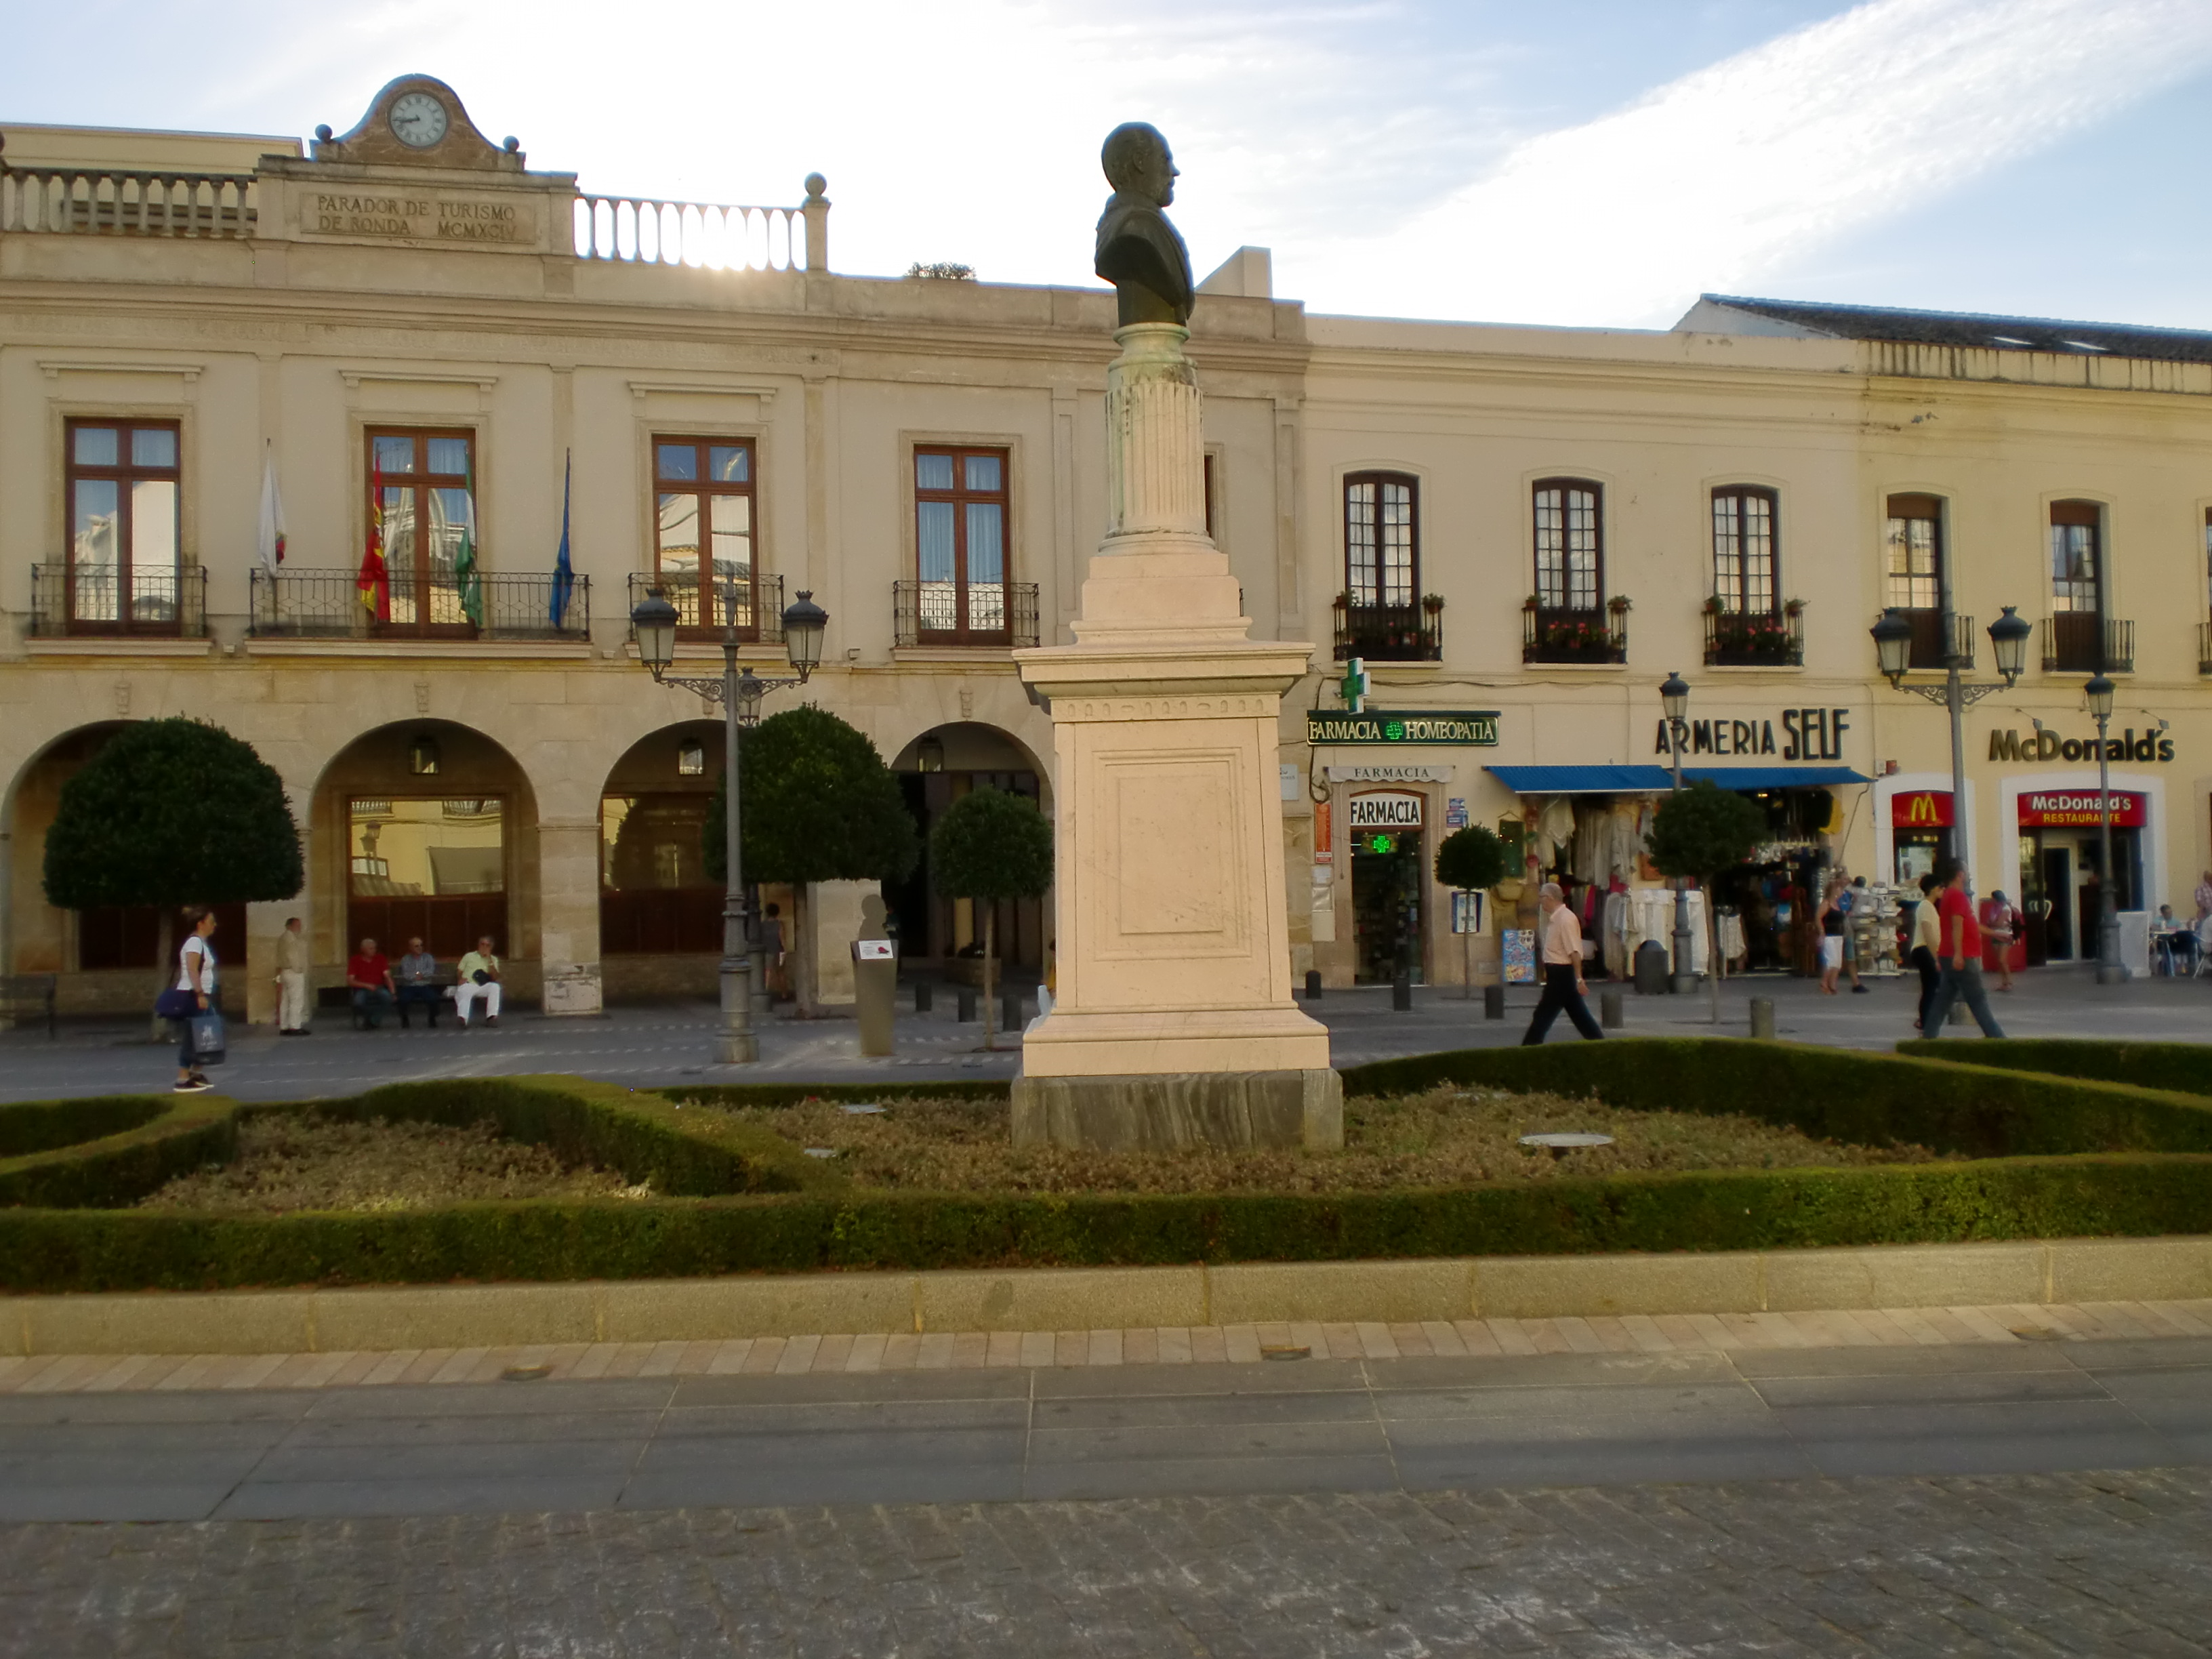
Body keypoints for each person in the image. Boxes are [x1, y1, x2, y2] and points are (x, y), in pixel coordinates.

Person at [1922, 859, 2005, 1038]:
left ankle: (1928, 1037)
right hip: (1963, 956)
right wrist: (1959, 955)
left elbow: (1970, 924)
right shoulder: (1958, 896)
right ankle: (1998, 1039)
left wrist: (1994, 934)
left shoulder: (1949, 895)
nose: (1968, 875)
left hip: (1948, 954)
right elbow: (1957, 925)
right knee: (1978, 1000)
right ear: (1960, 875)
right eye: (1966, 872)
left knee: (1943, 1000)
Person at [1521, 882, 1604, 1045]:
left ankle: (1528, 1049)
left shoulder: (1565, 919)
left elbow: (1574, 951)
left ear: (1550, 898)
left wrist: (1579, 978)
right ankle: (1600, 1044)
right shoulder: (1556, 919)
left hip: (1562, 974)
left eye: (1542, 897)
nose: (1540, 901)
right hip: (1557, 974)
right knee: (1580, 1016)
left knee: (1543, 1016)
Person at [171, 905, 218, 1092]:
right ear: (201, 923)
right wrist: (199, 994)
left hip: (201, 995)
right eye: (211, 921)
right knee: (194, 1037)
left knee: (210, 1035)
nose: (214, 925)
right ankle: (183, 1078)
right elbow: (192, 969)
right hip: (192, 995)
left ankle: (196, 1073)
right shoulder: (194, 943)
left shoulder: (202, 943)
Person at [1908, 872, 1943, 1032]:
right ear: (1934, 889)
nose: (1943, 891)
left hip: (1924, 949)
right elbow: (1927, 930)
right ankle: (1926, 1020)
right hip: (1924, 949)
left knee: (1930, 986)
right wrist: (1936, 957)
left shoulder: (1930, 907)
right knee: (1932, 986)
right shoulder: (1926, 906)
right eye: (1941, 887)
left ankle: (1925, 1020)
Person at [453, 935, 503, 1027]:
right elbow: (459, 971)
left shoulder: (493, 959)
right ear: (478, 945)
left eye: (487, 945)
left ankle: (491, 1017)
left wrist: (489, 960)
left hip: (483, 985)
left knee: (495, 987)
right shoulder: (469, 956)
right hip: (469, 983)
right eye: (482, 944)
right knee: (464, 990)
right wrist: (460, 979)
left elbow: (495, 977)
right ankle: (463, 1019)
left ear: (491, 947)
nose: (484, 947)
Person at [394, 937, 443, 1029]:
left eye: (421, 945)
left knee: (433, 999)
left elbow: (430, 971)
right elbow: (406, 975)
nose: (420, 948)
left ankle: (432, 1018)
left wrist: (419, 975)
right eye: (417, 946)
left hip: (425, 985)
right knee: (403, 1000)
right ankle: (404, 1019)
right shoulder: (406, 959)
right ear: (411, 948)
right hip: (410, 986)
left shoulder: (428, 957)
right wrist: (419, 975)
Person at [347, 937, 394, 1029]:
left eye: (375, 948)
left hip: (378, 987)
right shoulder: (355, 960)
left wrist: (393, 992)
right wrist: (366, 985)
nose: (374, 950)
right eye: (371, 948)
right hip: (362, 989)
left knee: (388, 998)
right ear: (363, 950)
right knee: (358, 1002)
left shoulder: (380, 958)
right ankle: (369, 1018)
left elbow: (387, 977)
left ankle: (374, 1020)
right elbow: (350, 981)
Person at [274, 916, 310, 1036]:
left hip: (285, 971)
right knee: (296, 1000)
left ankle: (284, 1026)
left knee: (285, 1000)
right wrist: (298, 969)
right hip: (293, 972)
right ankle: (295, 1026)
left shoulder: (283, 937)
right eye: (297, 925)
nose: (299, 928)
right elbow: (292, 955)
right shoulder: (291, 939)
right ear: (289, 926)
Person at [1980, 889, 2021, 991]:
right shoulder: (1993, 909)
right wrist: (1994, 924)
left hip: (2005, 936)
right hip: (1995, 935)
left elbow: (1998, 923)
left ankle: (2009, 982)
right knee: (1999, 961)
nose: (1992, 900)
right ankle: (2004, 982)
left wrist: (1993, 924)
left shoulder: (2006, 908)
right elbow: (1992, 923)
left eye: (1993, 898)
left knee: (2002, 960)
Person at [1816, 877, 1847, 994]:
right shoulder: (1826, 903)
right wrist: (1822, 932)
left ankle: (1833, 983)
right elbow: (1818, 918)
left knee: (1838, 963)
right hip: (1829, 935)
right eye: (1839, 890)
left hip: (1838, 935)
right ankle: (1824, 982)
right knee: (1831, 960)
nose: (1841, 892)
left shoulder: (1837, 904)